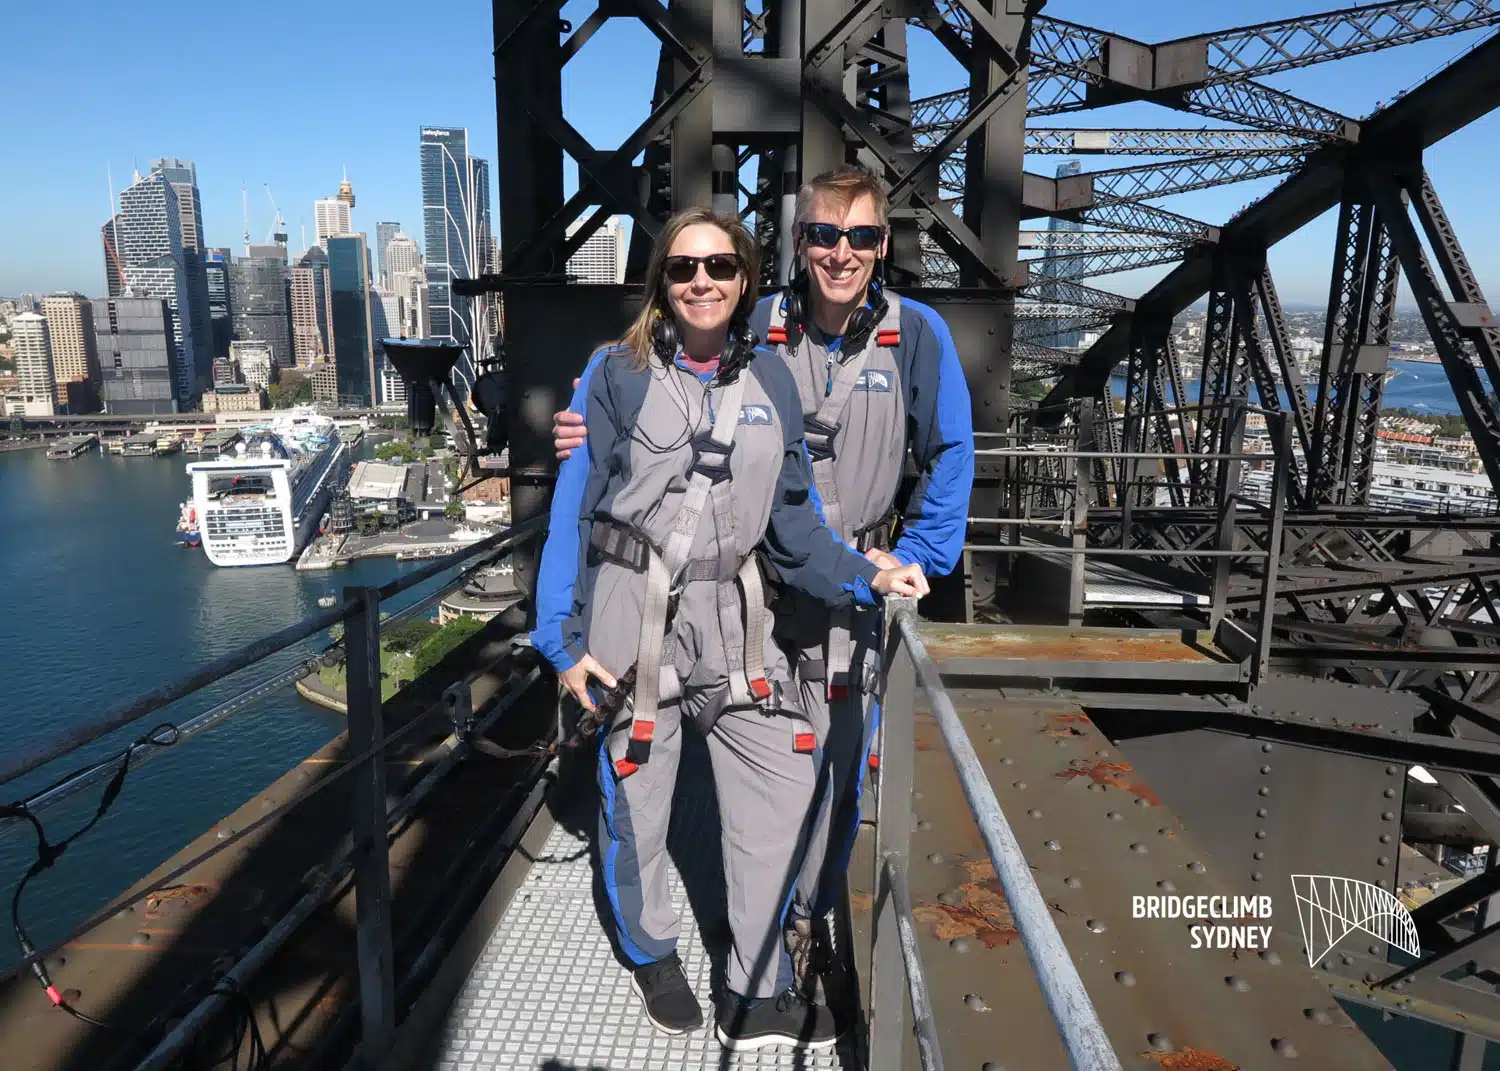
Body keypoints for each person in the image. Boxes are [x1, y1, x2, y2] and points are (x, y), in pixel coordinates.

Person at [552, 166, 975, 1003]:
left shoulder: (916, 333)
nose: (840, 253)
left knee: (836, 767)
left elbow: (951, 449)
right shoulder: (760, 329)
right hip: (756, 591)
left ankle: (805, 912)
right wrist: (587, 411)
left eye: (859, 237)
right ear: (797, 245)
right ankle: (723, 933)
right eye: (824, 234)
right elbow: (660, 370)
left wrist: (918, 554)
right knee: (767, 756)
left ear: (882, 245)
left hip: (848, 575)